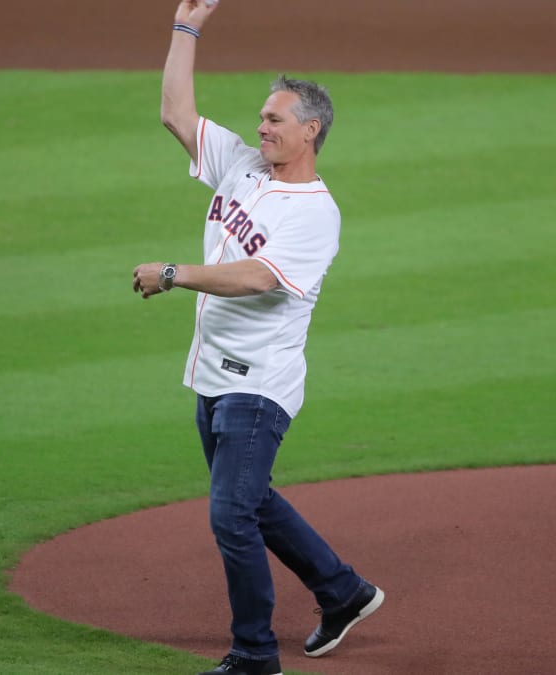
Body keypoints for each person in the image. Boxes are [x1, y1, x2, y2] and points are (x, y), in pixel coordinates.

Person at [131, 2, 385, 674]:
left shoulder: (317, 214)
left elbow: (257, 279)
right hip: (212, 376)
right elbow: (176, 115)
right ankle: (343, 590)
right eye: (262, 117)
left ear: (312, 130)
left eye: (274, 119)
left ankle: (253, 653)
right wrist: (186, 28)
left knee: (230, 516)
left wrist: (176, 273)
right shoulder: (242, 166)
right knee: (251, 498)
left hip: (258, 384)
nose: (260, 126)